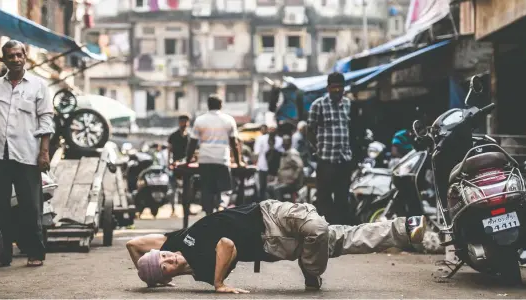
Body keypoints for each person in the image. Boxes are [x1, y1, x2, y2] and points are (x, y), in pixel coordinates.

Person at [126, 200, 426, 293]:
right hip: (273, 245)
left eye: (161, 253)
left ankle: (310, 271)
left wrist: (155, 277)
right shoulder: (202, 271)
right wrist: (216, 283)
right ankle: (404, 230)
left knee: (318, 229)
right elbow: (226, 247)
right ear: (167, 273)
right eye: (164, 262)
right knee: (342, 239)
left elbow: (133, 242)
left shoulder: (175, 243)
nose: (167, 254)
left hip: (269, 213)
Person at [0, 40, 54, 267]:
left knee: (30, 206)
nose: (15, 59)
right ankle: (2, 254)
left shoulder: (38, 86)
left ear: (25, 56)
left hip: (27, 154)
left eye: (18, 55)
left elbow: (46, 120)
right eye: (10, 56)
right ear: (4, 59)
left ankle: (35, 252)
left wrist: (44, 153)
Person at [307, 72, 355, 225]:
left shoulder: (348, 104)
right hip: (326, 160)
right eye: (334, 88)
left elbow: (351, 128)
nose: (337, 91)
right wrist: (317, 150)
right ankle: (326, 231)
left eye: (340, 88)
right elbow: (310, 131)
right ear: (328, 88)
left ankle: (341, 231)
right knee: (324, 199)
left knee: (342, 198)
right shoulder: (318, 105)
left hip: (344, 159)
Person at [182, 95, 242, 216]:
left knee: (207, 189)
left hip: (205, 160)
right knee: (225, 189)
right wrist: (238, 161)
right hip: (222, 159)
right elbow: (234, 143)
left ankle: (208, 214)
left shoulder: (200, 120)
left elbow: (192, 143)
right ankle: (221, 206)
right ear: (221, 105)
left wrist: (187, 160)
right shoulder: (228, 120)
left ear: (208, 106)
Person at [167, 115, 192, 217]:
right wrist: (169, 163)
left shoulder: (190, 136)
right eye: (182, 121)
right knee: (173, 189)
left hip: (187, 167)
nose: (184, 124)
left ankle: (187, 209)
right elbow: (169, 151)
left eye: (186, 122)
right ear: (179, 122)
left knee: (188, 190)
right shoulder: (173, 136)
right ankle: (173, 210)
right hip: (175, 166)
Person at [267, 135, 304, 201]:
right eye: (283, 142)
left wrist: (294, 178)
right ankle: (273, 206)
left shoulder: (293, 153)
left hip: (291, 183)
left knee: (277, 189)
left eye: (286, 142)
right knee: (269, 187)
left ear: (290, 143)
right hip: (283, 181)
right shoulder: (285, 152)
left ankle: (281, 208)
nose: (284, 144)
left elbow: (300, 166)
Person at [253, 123, 283, 200]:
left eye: (274, 129)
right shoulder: (261, 139)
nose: (272, 131)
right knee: (262, 187)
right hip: (263, 166)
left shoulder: (279, 140)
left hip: (274, 168)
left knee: (273, 187)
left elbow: (281, 153)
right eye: (270, 129)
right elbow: (256, 152)